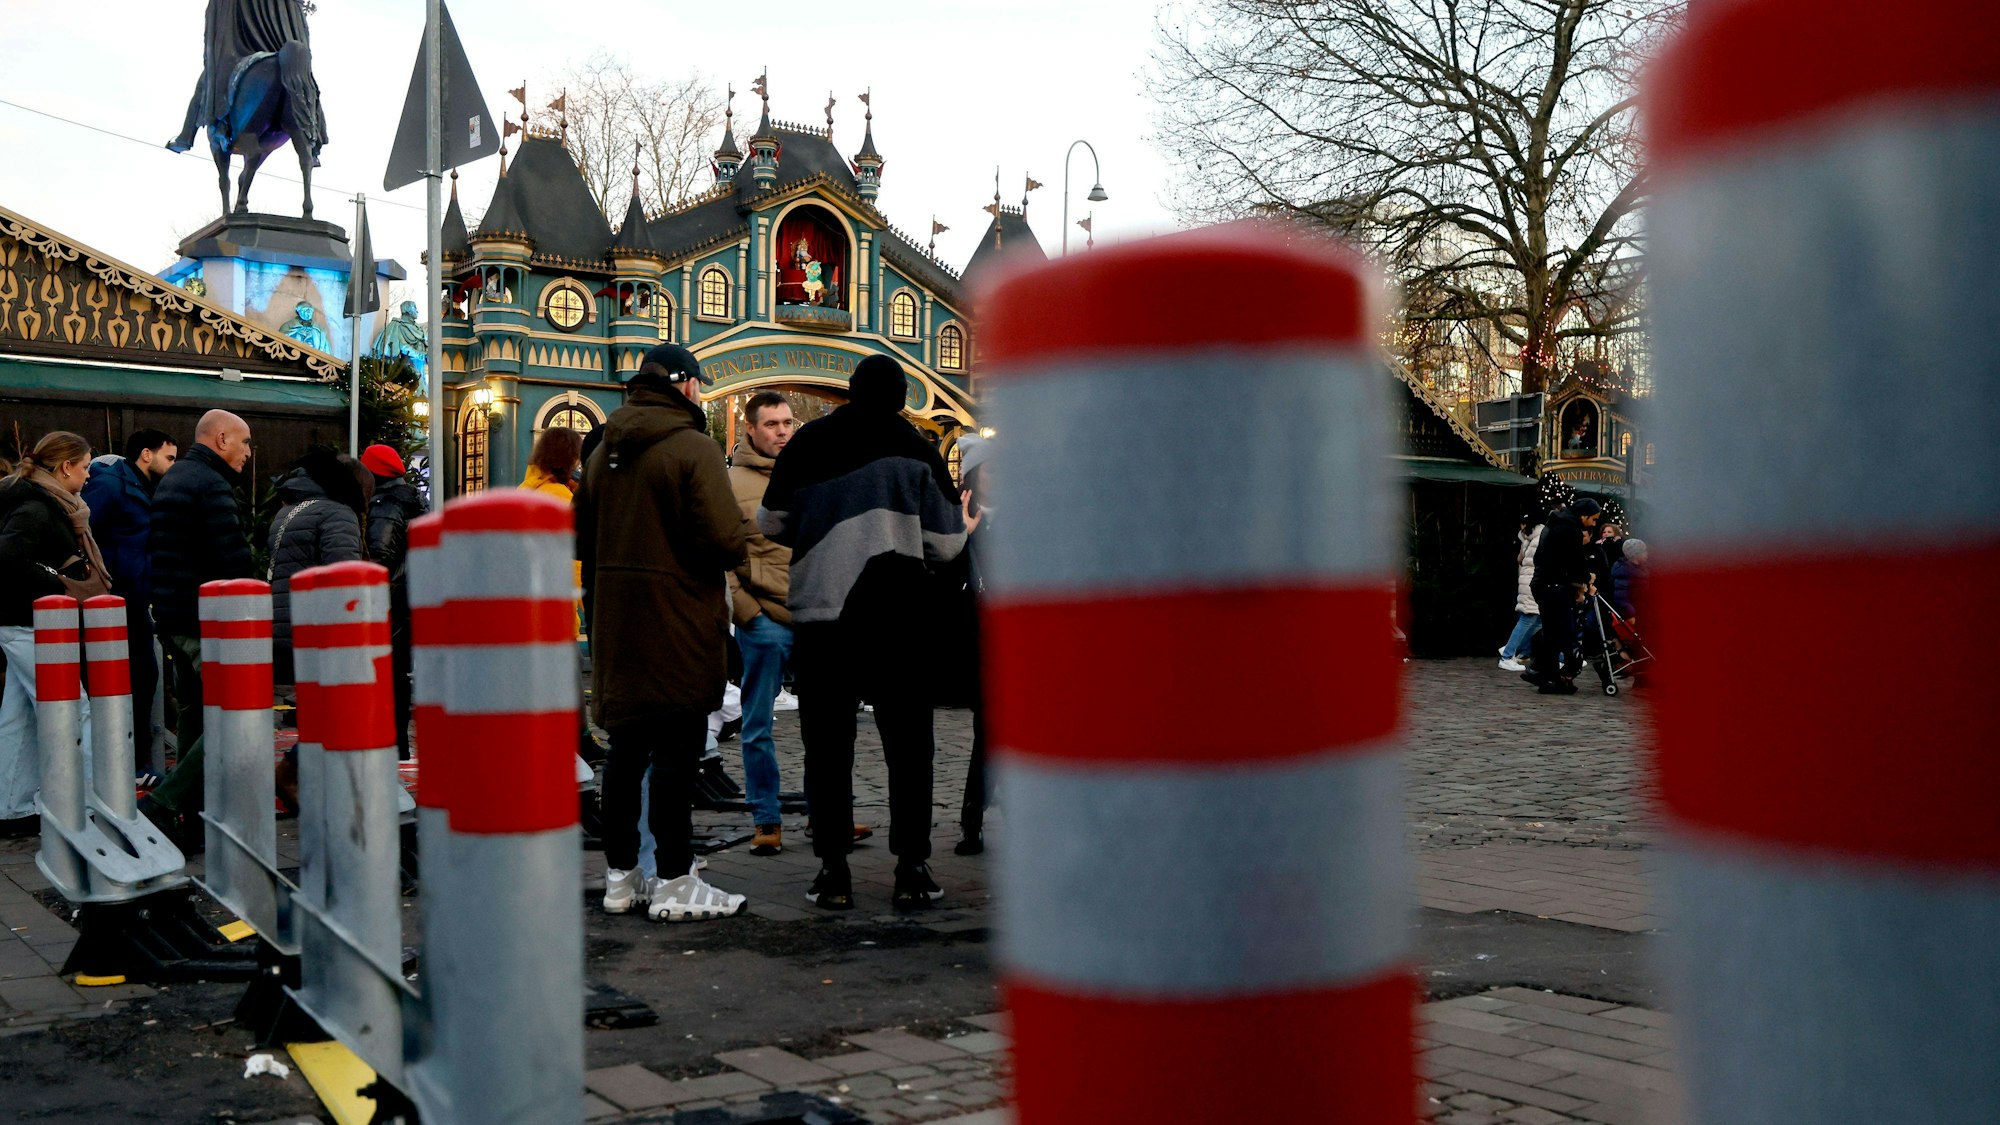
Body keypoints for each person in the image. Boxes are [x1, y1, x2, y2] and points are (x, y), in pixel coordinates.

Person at [758, 355, 972, 911]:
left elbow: (771, 523)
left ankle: (833, 872)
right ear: (902, 397)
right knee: (909, 747)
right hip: (899, 622)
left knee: (826, 747)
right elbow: (947, 544)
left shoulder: (806, 444)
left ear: (850, 392)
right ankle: (911, 868)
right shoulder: (919, 450)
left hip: (823, 620)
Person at [575, 343, 749, 923]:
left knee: (625, 753)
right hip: (676, 620)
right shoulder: (692, 447)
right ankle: (674, 878)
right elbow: (726, 540)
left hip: (618, 624)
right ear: (687, 386)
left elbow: (582, 539)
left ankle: (621, 878)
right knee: (676, 754)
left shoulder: (602, 453)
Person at [141, 410, 256, 842]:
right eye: (244, 443)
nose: (247, 453)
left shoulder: (176, 477)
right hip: (206, 620)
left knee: (196, 714)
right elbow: (232, 559)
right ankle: (165, 804)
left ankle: (189, 819)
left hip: (174, 614)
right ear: (222, 438)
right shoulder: (211, 484)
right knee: (233, 716)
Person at [0, 433, 107, 836]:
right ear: (65, 468)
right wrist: (57, 583)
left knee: (19, 716)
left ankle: (11, 806)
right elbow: (10, 557)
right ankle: (90, 802)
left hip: (23, 620)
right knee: (72, 709)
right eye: (85, 466)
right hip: (32, 621)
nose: (88, 474)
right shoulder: (38, 506)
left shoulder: (33, 498)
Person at [83, 429, 178, 776]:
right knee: (127, 679)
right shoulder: (111, 485)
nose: (173, 465)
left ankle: (135, 762)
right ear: (146, 455)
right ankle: (125, 763)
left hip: (134, 599)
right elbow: (83, 533)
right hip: (109, 601)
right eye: (169, 457)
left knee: (144, 678)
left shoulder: (144, 488)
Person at [728, 391, 798, 855]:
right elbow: (717, 553)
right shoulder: (729, 482)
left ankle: (830, 815)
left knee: (829, 724)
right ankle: (766, 819)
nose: (782, 431)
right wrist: (746, 612)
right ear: (750, 428)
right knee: (757, 724)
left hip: (814, 613)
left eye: (787, 423)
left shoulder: (810, 472)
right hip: (763, 619)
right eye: (771, 424)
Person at [270, 451, 370, 685]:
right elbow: (344, 580)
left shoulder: (287, 511)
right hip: (320, 632)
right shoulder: (337, 514)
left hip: (284, 626)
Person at [361, 444, 426, 757]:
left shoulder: (385, 504)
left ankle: (392, 745)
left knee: (386, 676)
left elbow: (381, 555)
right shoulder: (408, 499)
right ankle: (397, 744)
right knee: (396, 675)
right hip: (402, 598)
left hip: (388, 600)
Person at [950, 433, 995, 857]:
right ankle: (972, 820)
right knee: (990, 732)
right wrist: (964, 534)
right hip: (983, 639)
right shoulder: (962, 516)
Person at [1525, 497, 1601, 695]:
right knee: (1560, 631)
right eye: (1593, 519)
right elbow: (1575, 558)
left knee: (1554, 631)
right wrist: (1586, 579)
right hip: (1553, 586)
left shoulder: (1557, 523)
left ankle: (1544, 673)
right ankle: (1547, 674)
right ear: (1583, 515)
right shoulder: (1569, 528)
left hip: (1545, 584)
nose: (1594, 523)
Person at [1499, 513, 1543, 673]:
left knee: (1539, 620)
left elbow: (1520, 559)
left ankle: (1509, 648)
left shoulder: (1527, 538)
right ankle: (1507, 655)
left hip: (1526, 581)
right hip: (1534, 582)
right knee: (1529, 618)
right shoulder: (1540, 537)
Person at [1611, 538, 1649, 627]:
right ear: (1636, 554)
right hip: (1635, 613)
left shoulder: (1642, 568)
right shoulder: (1624, 572)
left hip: (1644, 610)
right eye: (1644, 552)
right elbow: (1621, 597)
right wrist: (1630, 613)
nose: (1647, 554)